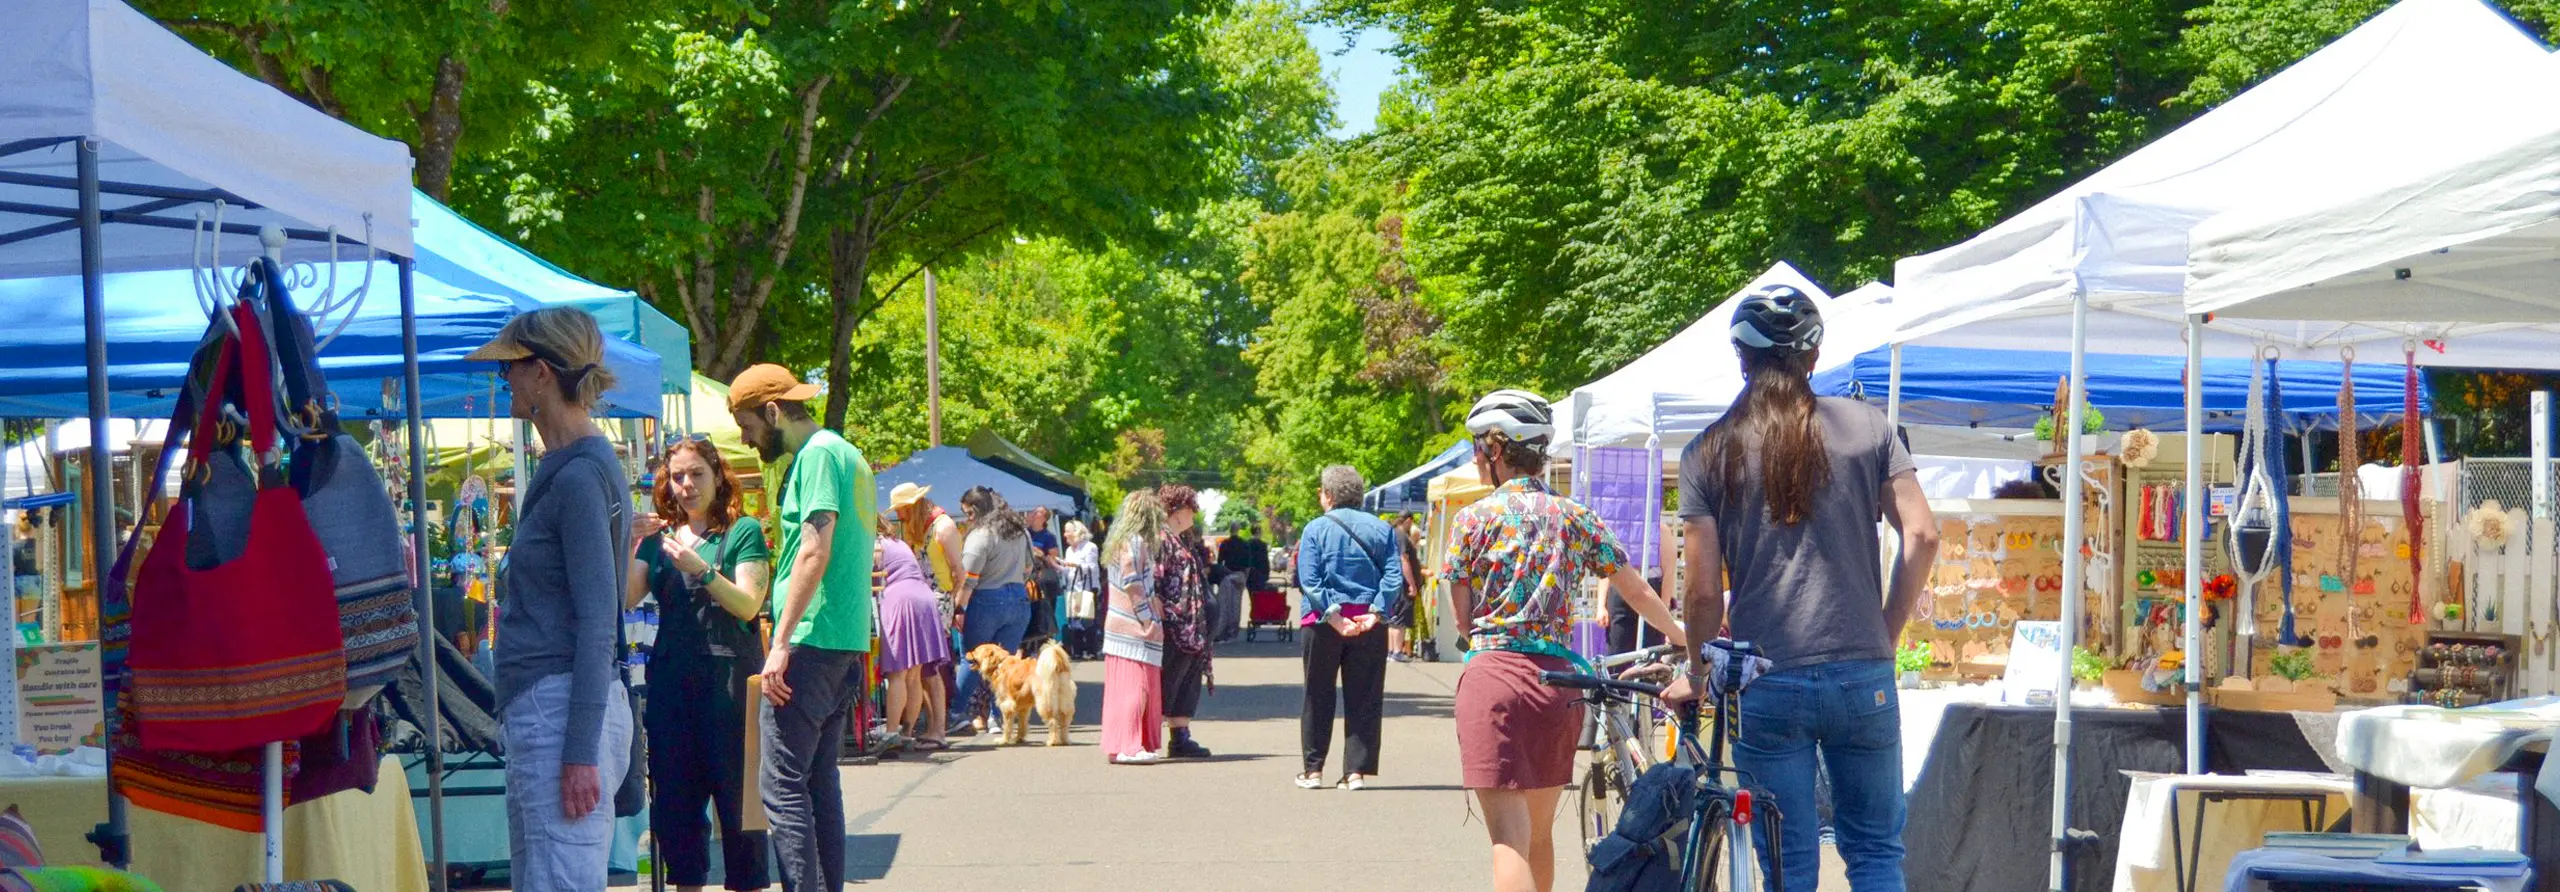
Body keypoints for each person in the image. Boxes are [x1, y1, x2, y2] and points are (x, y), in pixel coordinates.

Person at [1672, 285, 1938, 892]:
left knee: (1789, 865)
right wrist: (1884, 634)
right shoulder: (1868, 426)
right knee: (1875, 854)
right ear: (1813, 358)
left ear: (1742, 360)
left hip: (1767, 677)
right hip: (1861, 672)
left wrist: (1698, 664)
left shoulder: (1707, 451)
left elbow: (1704, 593)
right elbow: (1921, 535)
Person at [1445, 389, 1685, 892]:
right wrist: (1683, 636)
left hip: (1494, 678)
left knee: (1508, 839)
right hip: (1558, 684)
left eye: (1476, 446)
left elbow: (1463, 621)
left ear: (1495, 449)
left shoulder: (1472, 519)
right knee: (1538, 835)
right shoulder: (1576, 516)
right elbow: (1637, 590)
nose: (1473, 456)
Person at [467, 307, 636, 891]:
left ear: (540, 372)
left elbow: (597, 622)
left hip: (562, 709)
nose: (503, 381)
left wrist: (580, 751)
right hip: (559, 707)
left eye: (508, 369)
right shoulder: (576, 467)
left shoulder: (578, 476)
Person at [728, 363, 877, 892]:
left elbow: (814, 548)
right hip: (843, 640)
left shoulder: (815, 457)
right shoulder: (846, 453)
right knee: (817, 783)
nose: (747, 440)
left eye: (748, 425)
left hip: (811, 640)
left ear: (773, 411)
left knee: (783, 785)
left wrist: (782, 642)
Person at [624, 438, 771, 892]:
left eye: (697, 474)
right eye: (677, 476)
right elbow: (624, 598)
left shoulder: (741, 531)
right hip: (672, 686)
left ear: (717, 476)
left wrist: (702, 570)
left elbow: (748, 605)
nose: (686, 485)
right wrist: (629, 542)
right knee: (676, 809)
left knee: (738, 807)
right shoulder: (657, 539)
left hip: (728, 685)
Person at [1291, 465, 1404, 791]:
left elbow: (1309, 580)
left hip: (1322, 623)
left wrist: (1334, 615)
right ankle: (1355, 772)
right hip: (1368, 623)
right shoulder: (1381, 530)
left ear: (1326, 495)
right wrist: (1377, 613)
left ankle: (1313, 770)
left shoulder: (1315, 529)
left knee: (1317, 694)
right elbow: (1393, 577)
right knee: (1365, 696)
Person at [951, 486, 1035, 736]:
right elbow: (1029, 567)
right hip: (1019, 598)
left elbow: (968, 579)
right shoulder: (1020, 532)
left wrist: (959, 607)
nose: (967, 518)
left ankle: (956, 713)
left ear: (975, 510)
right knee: (1006, 662)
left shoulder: (981, 535)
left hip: (987, 599)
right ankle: (1002, 715)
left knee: (973, 659)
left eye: (967, 513)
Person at [888, 483, 964, 745]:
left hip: (939, 600)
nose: (898, 515)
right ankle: (931, 727)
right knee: (920, 670)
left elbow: (959, 572)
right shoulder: (919, 526)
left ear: (912, 505)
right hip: (922, 599)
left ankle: (938, 729)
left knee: (931, 669)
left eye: (900, 509)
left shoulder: (943, 526)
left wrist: (953, 605)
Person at [871, 519, 954, 753]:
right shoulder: (898, 542)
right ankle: (906, 733)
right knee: (914, 674)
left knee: (898, 672)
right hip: (924, 597)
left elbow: (870, 579)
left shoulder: (875, 544)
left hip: (901, 598)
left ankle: (890, 732)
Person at [1098, 491, 1167, 763]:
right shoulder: (1135, 542)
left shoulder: (1118, 541)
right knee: (1137, 686)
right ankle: (1131, 744)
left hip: (1116, 621)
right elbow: (1133, 582)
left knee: (1123, 686)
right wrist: (1148, 618)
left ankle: (1122, 743)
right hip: (1134, 625)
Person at [1151, 484, 1216, 759]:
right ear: (1176, 511)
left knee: (1188, 681)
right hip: (1175, 627)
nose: (1193, 515)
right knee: (1168, 680)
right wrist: (1165, 613)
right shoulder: (1161, 540)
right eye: (1190, 509)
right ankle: (1149, 736)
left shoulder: (1182, 539)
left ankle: (1180, 736)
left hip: (1193, 627)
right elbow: (1152, 582)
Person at [1060, 520, 1104, 659]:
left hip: (1087, 588)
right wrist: (1058, 566)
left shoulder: (1090, 547)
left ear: (1077, 532)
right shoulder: (1068, 550)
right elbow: (1068, 572)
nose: (1065, 534)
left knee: (1087, 621)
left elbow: (1091, 568)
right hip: (1073, 588)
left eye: (1068, 531)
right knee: (1073, 621)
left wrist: (1074, 564)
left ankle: (1091, 651)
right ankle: (1077, 651)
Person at [1024, 505, 1064, 652]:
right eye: (1033, 511)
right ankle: (1028, 645)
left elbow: (1054, 558)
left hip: (1043, 578)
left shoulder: (1048, 537)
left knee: (1046, 611)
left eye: (1038, 512)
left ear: (1044, 518)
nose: (1033, 513)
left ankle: (1046, 645)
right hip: (1028, 578)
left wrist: (1040, 553)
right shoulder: (1025, 533)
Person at [1387, 514, 1425, 662]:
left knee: (1393, 618)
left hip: (1395, 582)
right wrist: (1412, 584)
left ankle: (1391, 651)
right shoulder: (1401, 536)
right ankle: (1397, 651)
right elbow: (1404, 560)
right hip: (1403, 584)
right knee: (1400, 618)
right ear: (1408, 521)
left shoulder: (1393, 534)